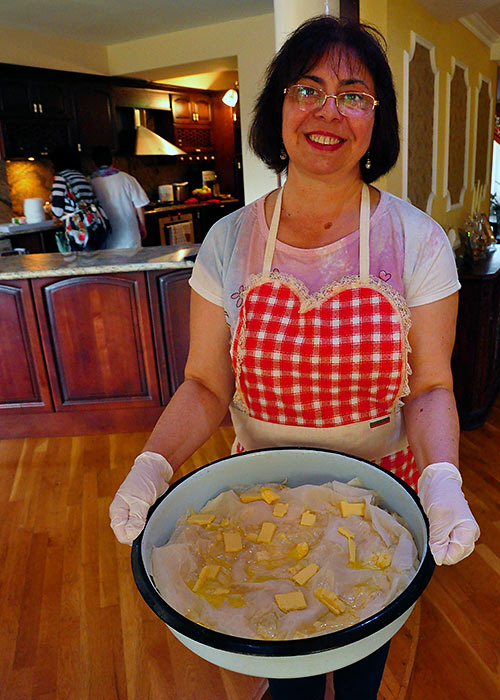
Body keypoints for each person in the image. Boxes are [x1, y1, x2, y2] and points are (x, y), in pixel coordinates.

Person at [109, 16, 480, 700]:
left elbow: (430, 387)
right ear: (278, 106)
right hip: (261, 501)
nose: (328, 111)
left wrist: (443, 478)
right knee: (288, 676)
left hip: (378, 500)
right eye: (307, 88)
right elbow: (203, 383)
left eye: (354, 94)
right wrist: (151, 465)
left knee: (363, 661)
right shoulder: (228, 242)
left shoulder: (416, 241)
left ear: (378, 121)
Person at [50, 145, 110, 251]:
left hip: (78, 230)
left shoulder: (60, 178)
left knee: (81, 264)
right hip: (95, 226)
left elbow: (57, 211)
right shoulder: (82, 177)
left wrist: (49, 208)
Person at [90, 146, 149, 249]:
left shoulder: (89, 182)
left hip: (106, 239)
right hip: (130, 236)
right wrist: (142, 225)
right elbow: (140, 204)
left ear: (93, 163)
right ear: (113, 160)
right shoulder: (126, 178)